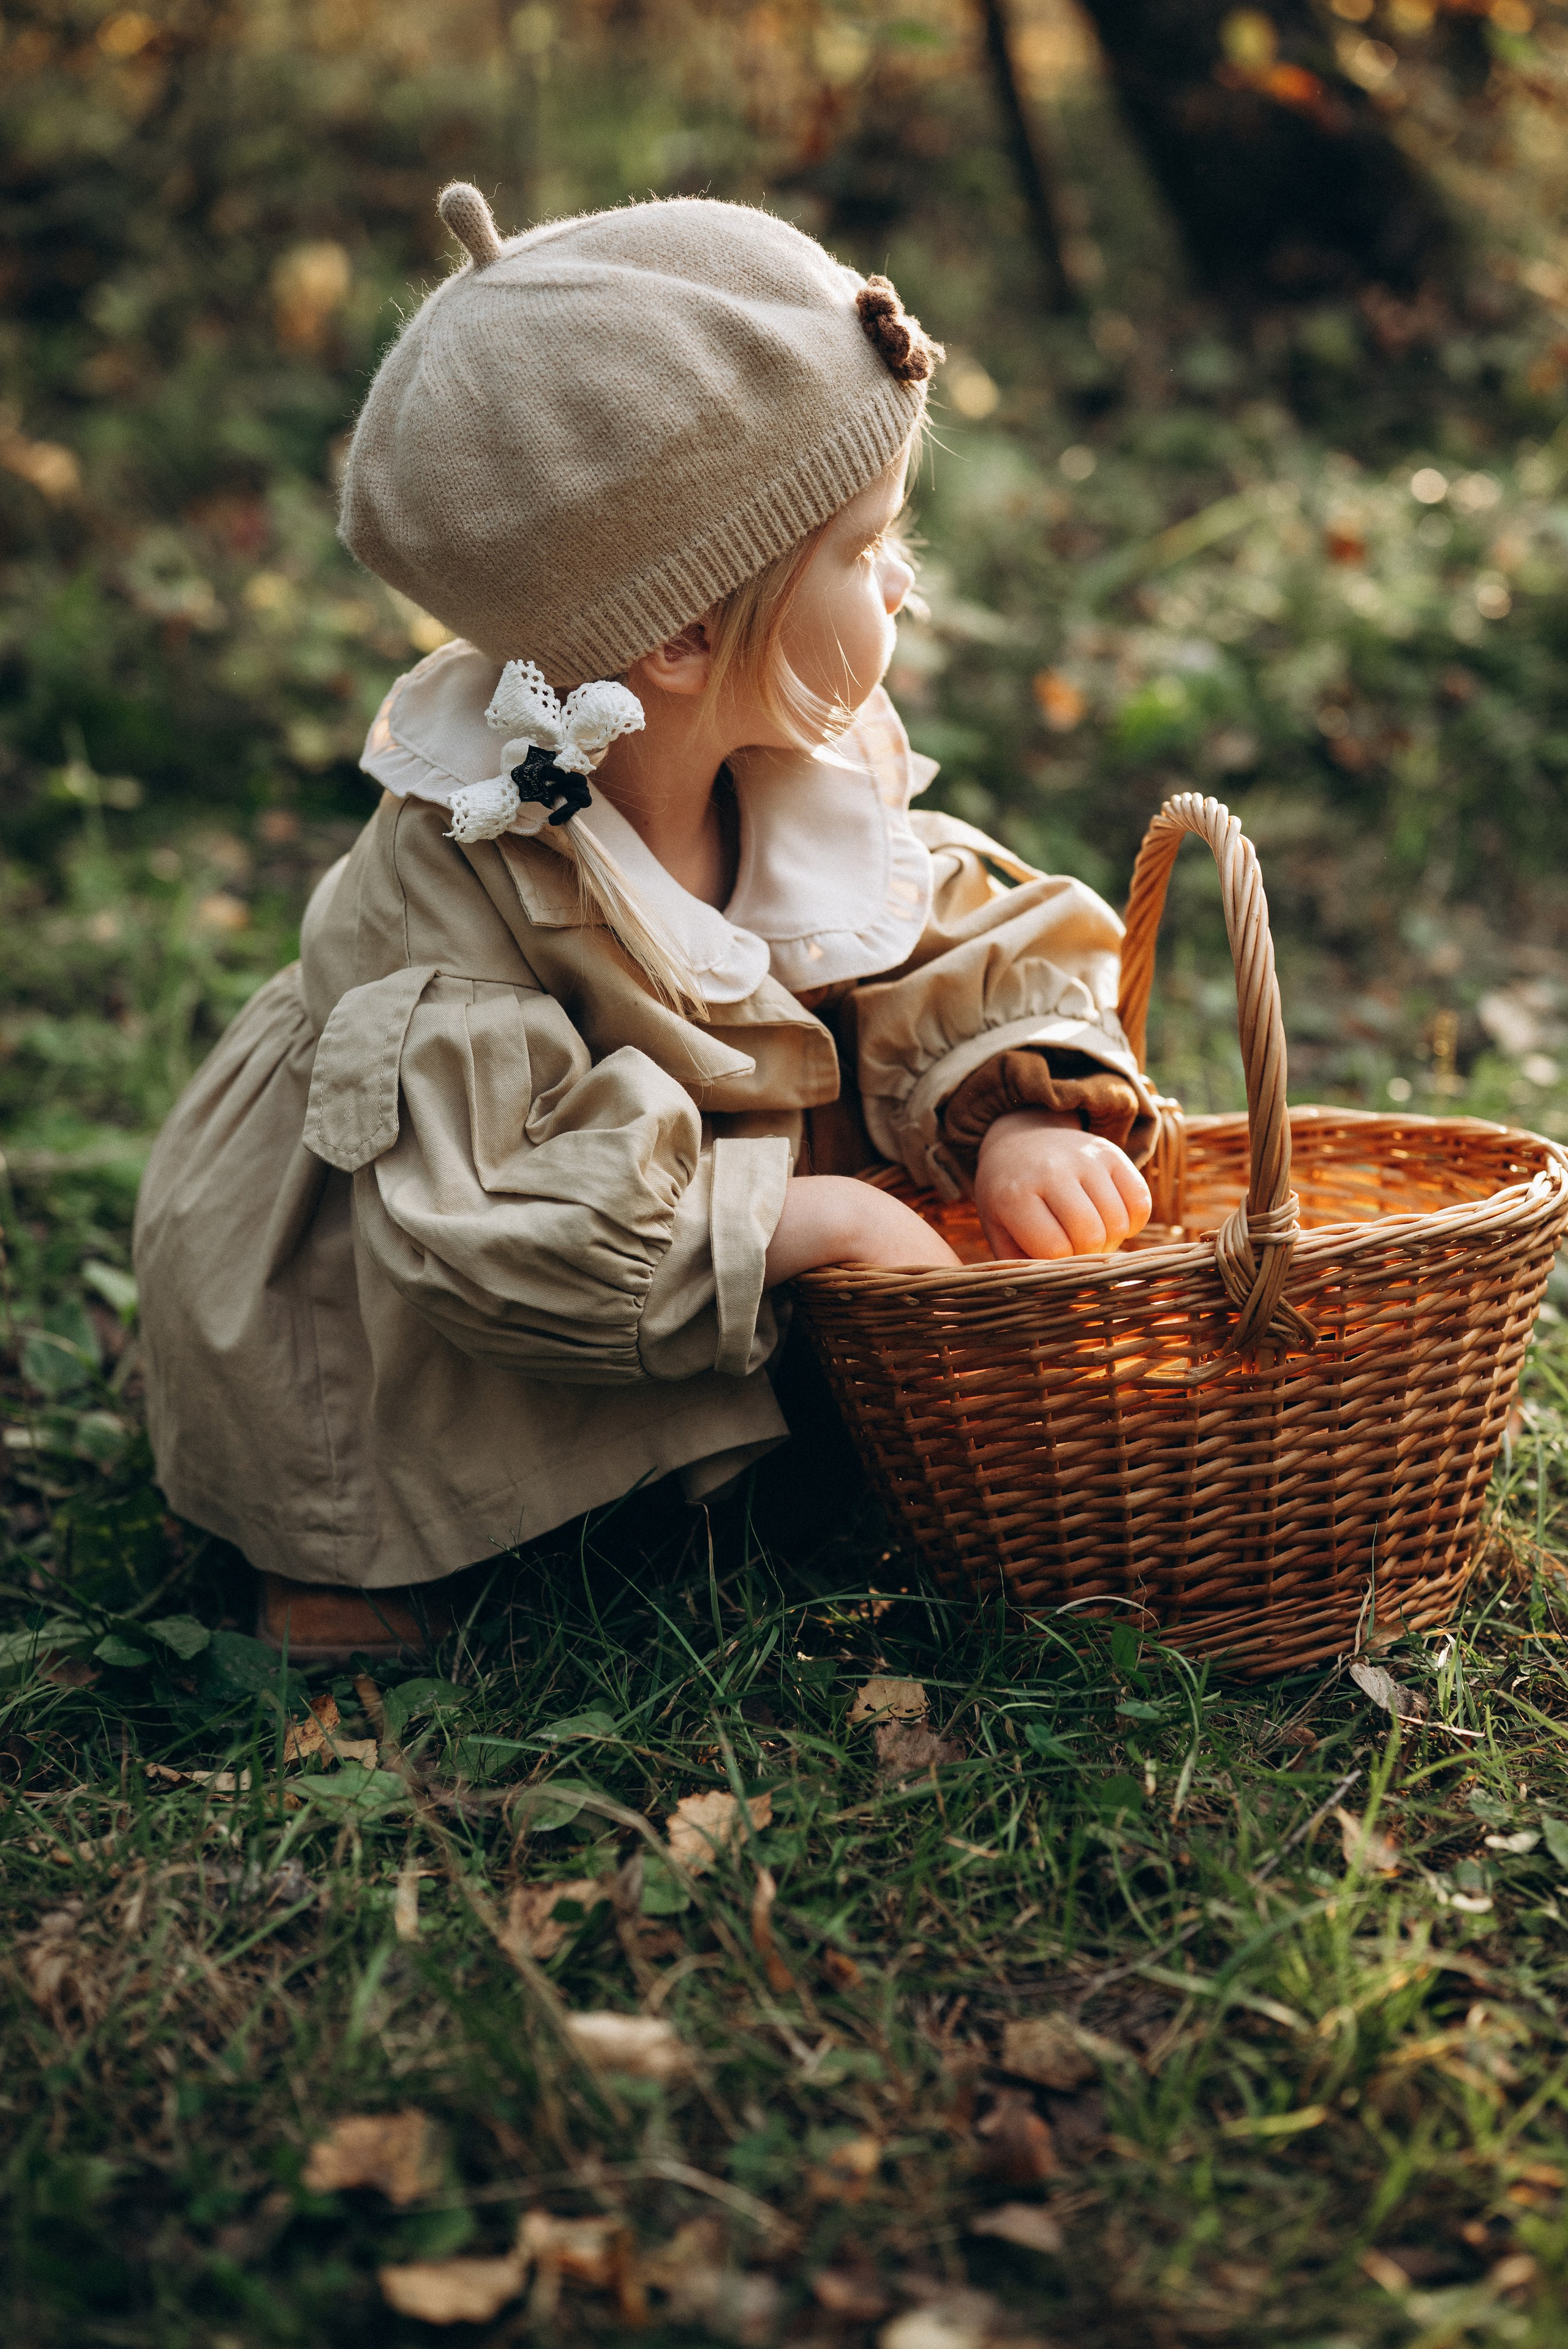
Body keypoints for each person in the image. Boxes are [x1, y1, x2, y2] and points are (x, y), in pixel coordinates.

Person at [133, 184, 1159, 1659]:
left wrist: (1013, 1112)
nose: (901, 583)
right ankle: (343, 1544)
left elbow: (931, 941)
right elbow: (496, 1205)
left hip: (677, 1213)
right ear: (679, 634)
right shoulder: (467, 870)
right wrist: (811, 1218)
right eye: (862, 550)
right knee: (362, 1375)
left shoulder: (788, 761)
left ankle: (728, 1439)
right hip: (435, 1246)